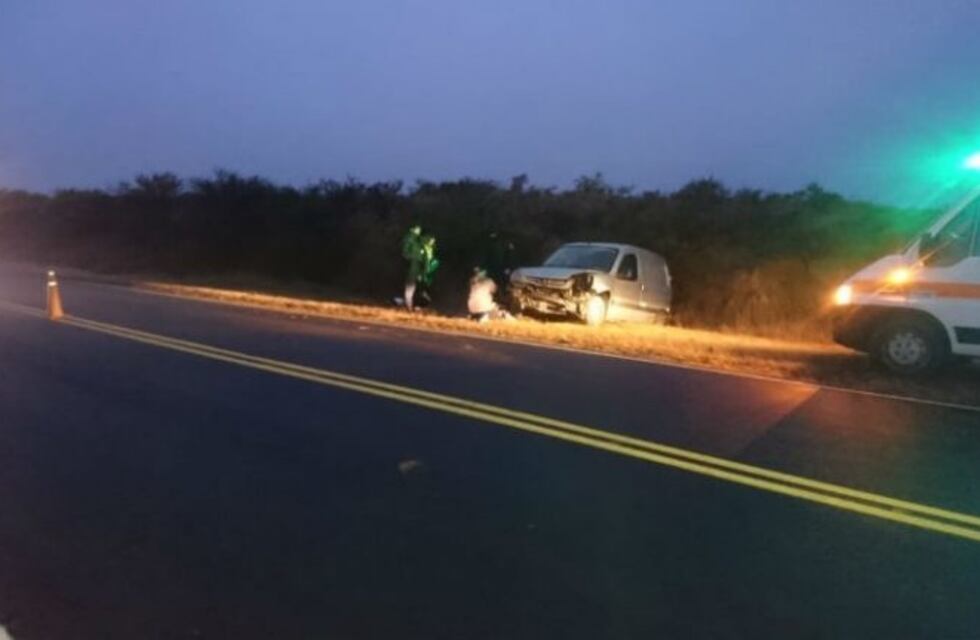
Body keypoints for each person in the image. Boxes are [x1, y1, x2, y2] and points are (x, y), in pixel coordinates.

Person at [400, 226, 423, 310]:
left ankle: (410, 304)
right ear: (412, 229)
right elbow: (405, 253)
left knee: (413, 285)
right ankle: (407, 304)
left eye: (419, 229)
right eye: (417, 229)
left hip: (416, 266)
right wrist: (413, 258)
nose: (419, 231)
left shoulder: (417, 240)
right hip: (412, 266)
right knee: (410, 284)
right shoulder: (409, 239)